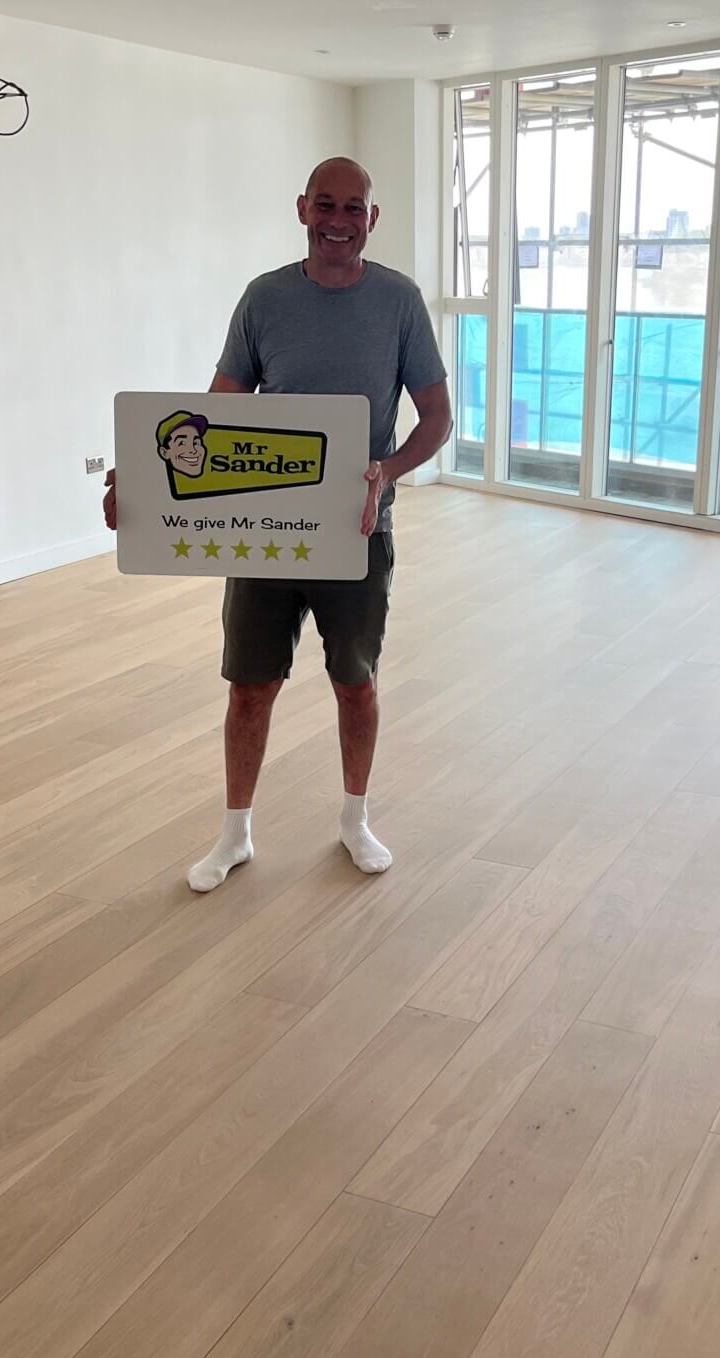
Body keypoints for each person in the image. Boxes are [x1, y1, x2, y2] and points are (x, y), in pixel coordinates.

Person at [105, 156, 453, 893]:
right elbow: (213, 418)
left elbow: (437, 418)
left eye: (353, 208)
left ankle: (355, 821)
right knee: (249, 688)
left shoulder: (399, 302)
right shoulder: (264, 299)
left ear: (372, 218)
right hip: (266, 528)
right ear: (302, 209)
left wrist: (384, 473)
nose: (338, 221)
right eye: (325, 205)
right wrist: (142, 477)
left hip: (359, 531)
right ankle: (234, 835)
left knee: (355, 684)